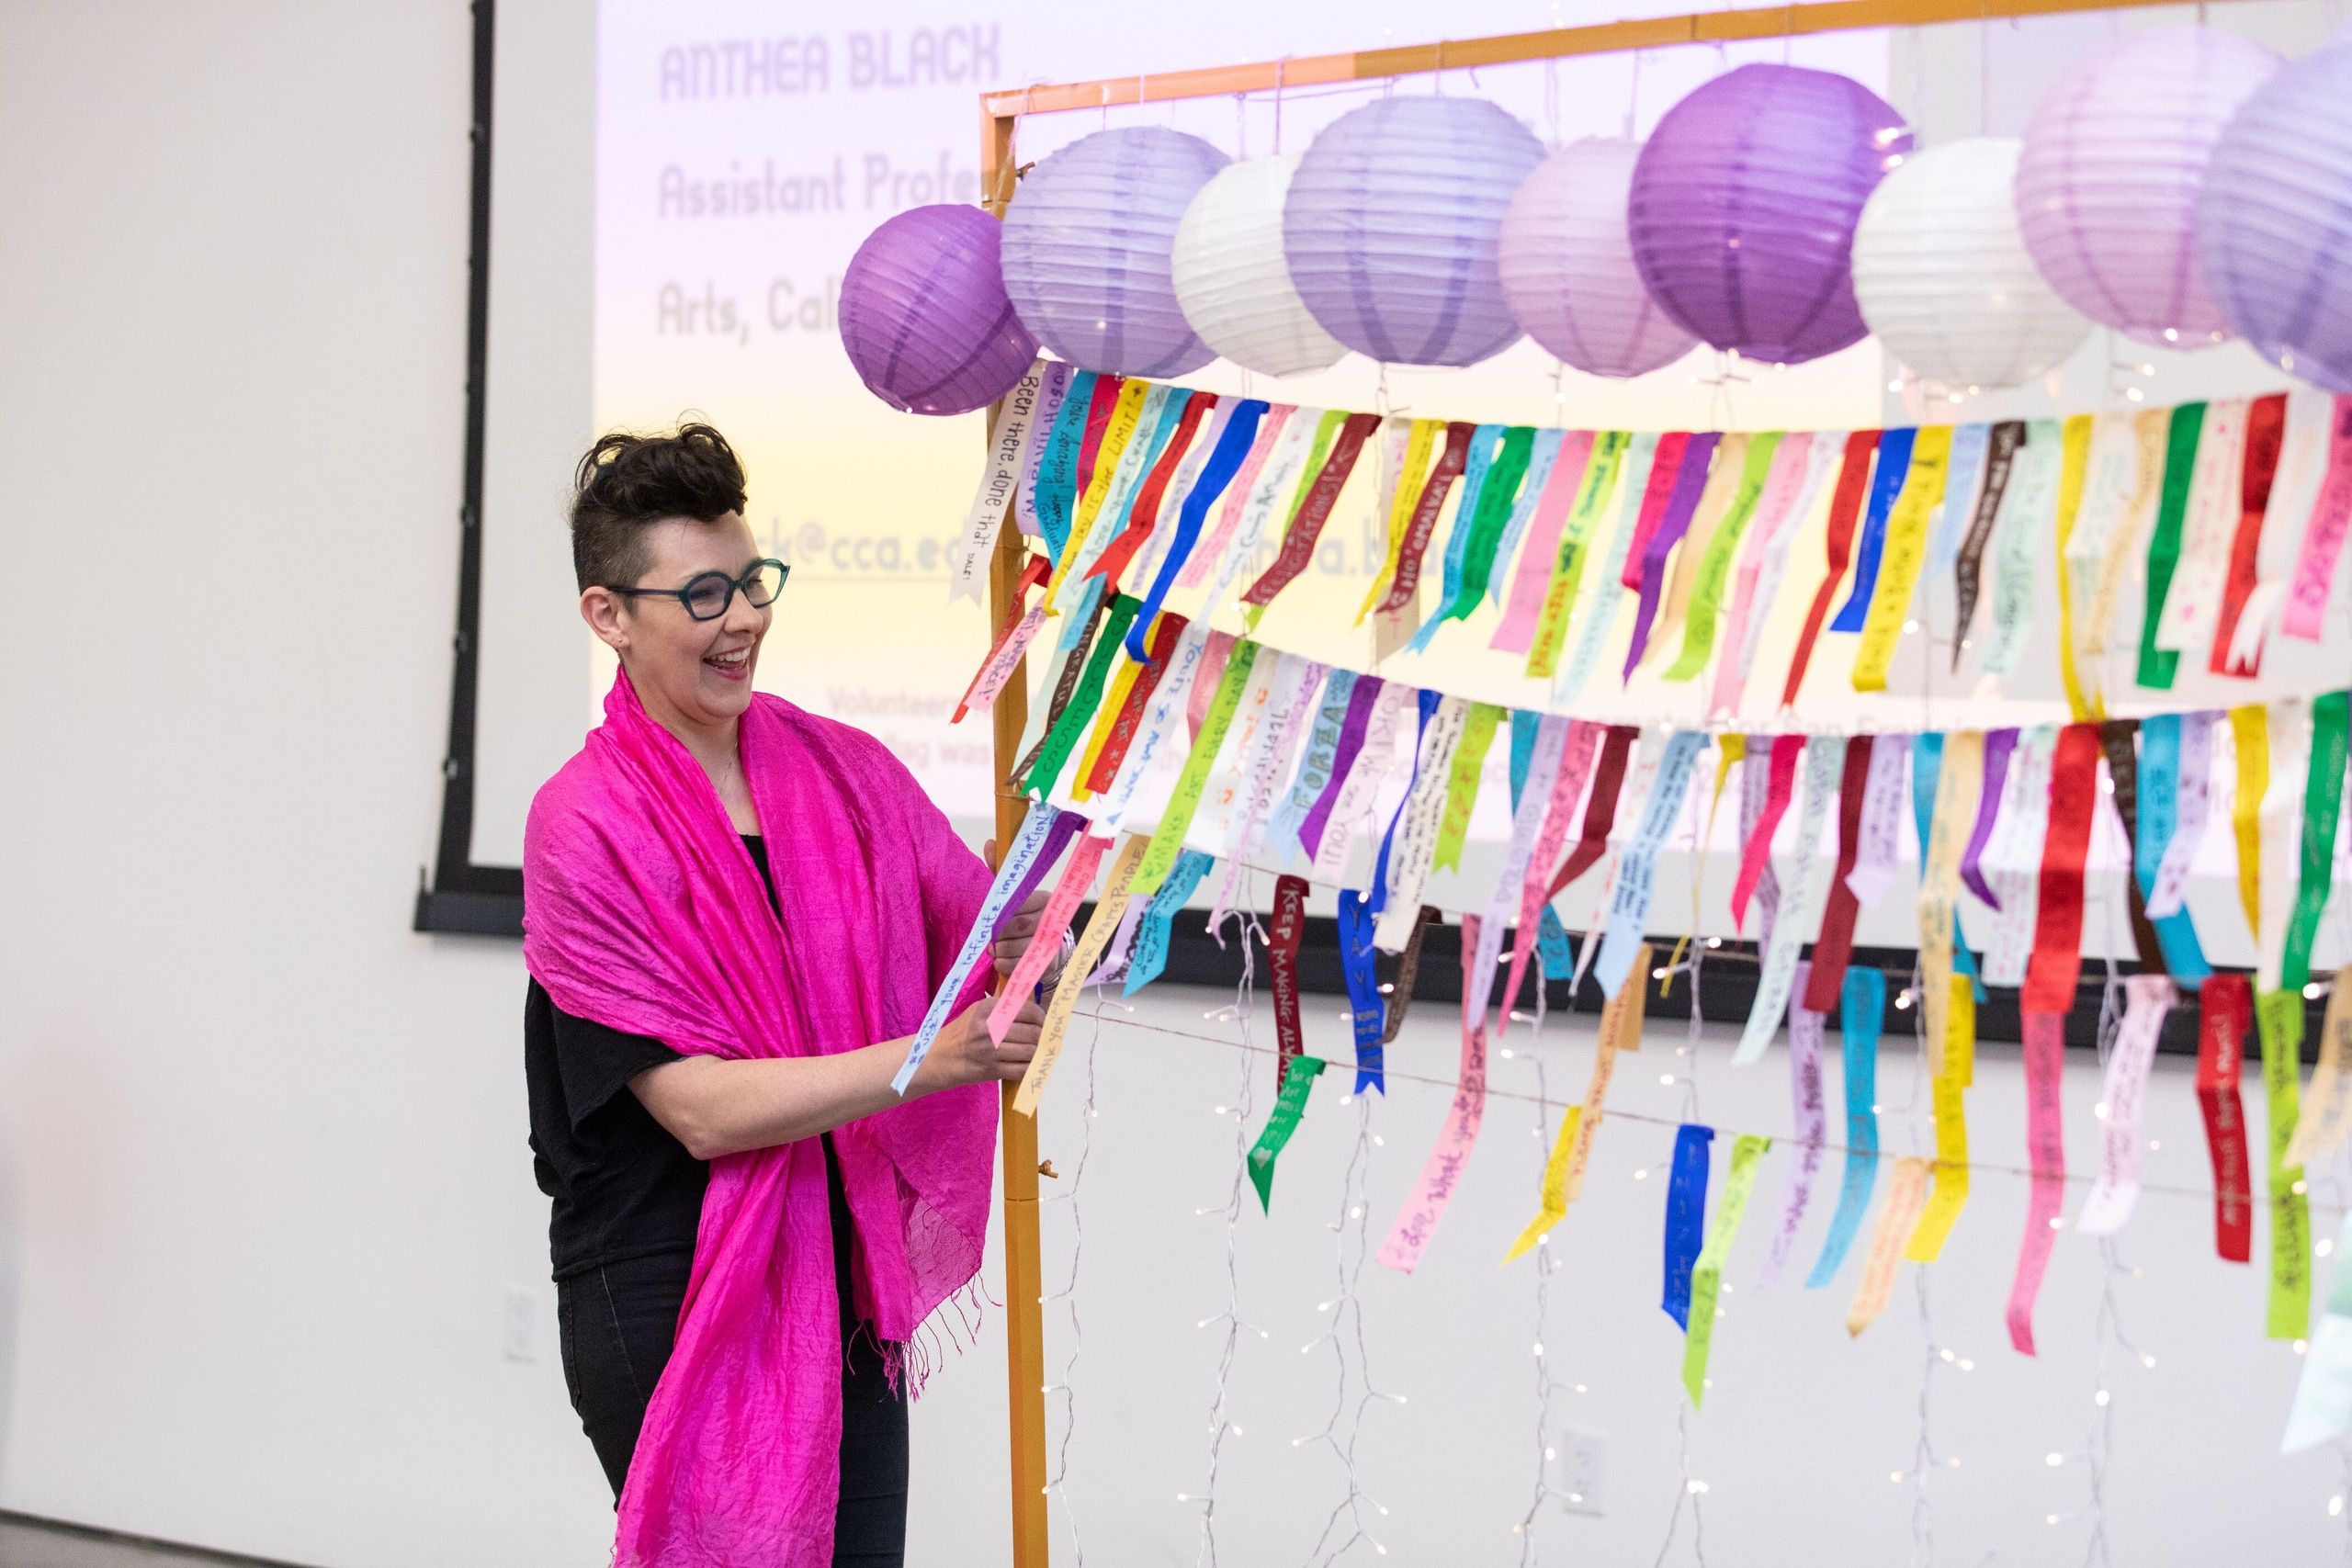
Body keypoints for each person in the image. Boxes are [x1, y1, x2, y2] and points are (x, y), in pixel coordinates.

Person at [522, 423, 1057, 1567]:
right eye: (704, 593)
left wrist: (1079, 881)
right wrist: (934, 1056)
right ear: (608, 616)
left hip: (834, 1264)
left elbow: (979, 924)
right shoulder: (584, 827)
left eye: (754, 579)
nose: (746, 618)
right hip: (661, 1275)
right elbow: (703, 1113)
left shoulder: (841, 769)